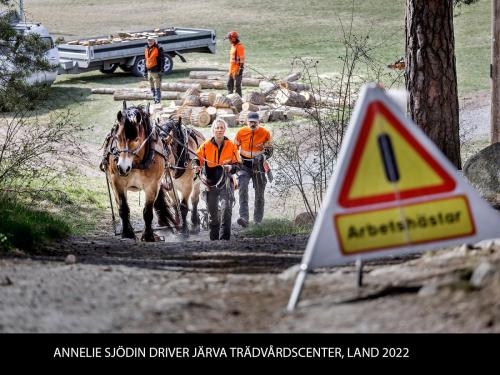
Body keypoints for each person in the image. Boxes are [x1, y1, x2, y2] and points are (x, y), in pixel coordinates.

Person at [194, 119, 241, 240]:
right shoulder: (206, 144)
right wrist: (197, 166)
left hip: (226, 182)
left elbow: (239, 165)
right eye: (217, 128)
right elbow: (197, 159)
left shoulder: (231, 145)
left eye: (221, 128)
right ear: (213, 130)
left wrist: (231, 167)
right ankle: (214, 240)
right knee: (213, 214)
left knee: (226, 209)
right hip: (210, 183)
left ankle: (224, 239)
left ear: (224, 130)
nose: (219, 130)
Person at [234, 112, 273, 227]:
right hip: (244, 166)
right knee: (243, 189)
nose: (252, 124)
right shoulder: (241, 132)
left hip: (259, 166)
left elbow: (270, 150)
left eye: (254, 122)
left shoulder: (265, 133)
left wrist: (263, 156)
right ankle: (244, 218)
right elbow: (233, 148)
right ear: (247, 122)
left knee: (259, 193)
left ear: (259, 122)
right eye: (250, 121)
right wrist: (236, 160)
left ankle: (257, 221)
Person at [224, 31, 244, 97]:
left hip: (237, 69)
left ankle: (239, 99)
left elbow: (242, 59)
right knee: (229, 84)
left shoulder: (239, 47)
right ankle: (230, 97)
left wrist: (241, 69)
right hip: (231, 68)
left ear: (233, 38)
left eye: (230, 39)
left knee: (237, 86)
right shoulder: (233, 46)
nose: (229, 40)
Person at [144, 36, 162, 104]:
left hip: (155, 70)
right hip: (149, 70)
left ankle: (158, 100)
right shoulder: (146, 49)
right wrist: (145, 70)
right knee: (151, 85)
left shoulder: (158, 48)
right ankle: (154, 98)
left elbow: (161, 60)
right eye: (149, 41)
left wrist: (160, 70)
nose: (150, 42)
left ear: (154, 41)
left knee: (157, 86)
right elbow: (146, 60)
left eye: (151, 41)